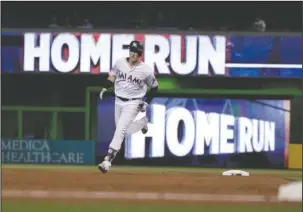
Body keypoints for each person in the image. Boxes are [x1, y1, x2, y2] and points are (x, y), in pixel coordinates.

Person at [98, 40, 159, 173]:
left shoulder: (146, 70)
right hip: (118, 100)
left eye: (136, 52)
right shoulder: (120, 62)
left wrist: (146, 102)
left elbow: (154, 87)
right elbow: (112, 76)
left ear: (140, 54)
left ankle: (107, 160)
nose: (133, 54)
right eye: (132, 50)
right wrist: (104, 88)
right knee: (123, 131)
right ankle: (143, 122)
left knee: (120, 129)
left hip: (134, 102)